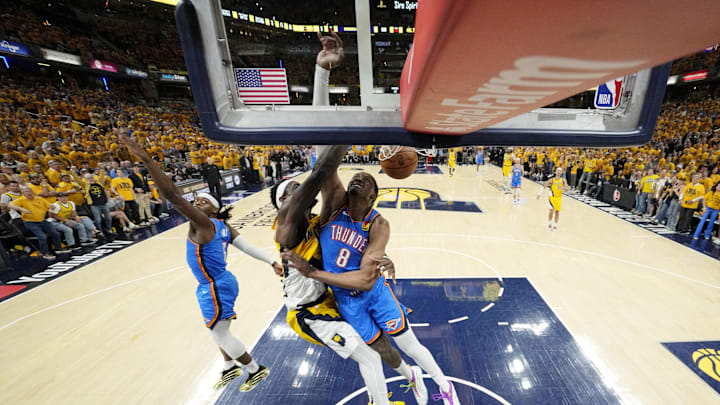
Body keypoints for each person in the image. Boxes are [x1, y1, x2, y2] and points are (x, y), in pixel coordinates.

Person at [271, 32, 405, 405]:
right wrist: (356, 122)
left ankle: (404, 380)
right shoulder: (287, 231)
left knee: (378, 346)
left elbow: (321, 162)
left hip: (331, 296)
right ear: (285, 204)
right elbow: (320, 167)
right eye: (292, 194)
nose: (298, 195)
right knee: (367, 353)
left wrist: (322, 73)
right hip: (308, 313)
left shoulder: (321, 218)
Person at [284, 169, 461, 405]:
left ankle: (445, 386)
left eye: (366, 180)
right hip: (347, 302)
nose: (359, 178)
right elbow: (327, 169)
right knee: (382, 350)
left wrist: (314, 273)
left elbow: (366, 281)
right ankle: (413, 376)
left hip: (375, 294)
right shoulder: (333, 209)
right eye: (355, 177)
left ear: (373, 196)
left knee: (409, 345)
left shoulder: (378, 224)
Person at [118, 131, 275, 392]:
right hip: (217, 282)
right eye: (196, 200)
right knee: (215, 327)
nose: (196, 202)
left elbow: (172, 195)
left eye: (203, 201)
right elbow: (246, 246)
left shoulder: (204, 222)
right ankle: (228, 367)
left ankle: (254, 368)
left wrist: (147, 160)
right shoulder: (222, 225)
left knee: (219, 333)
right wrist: (271, 261)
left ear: (213, 209)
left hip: (214, 284)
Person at [8, 186, 68, 259]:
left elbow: (49, 205)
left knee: (55, 233)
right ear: (23, 193)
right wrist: (21, 209)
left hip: (42, 220)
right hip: (30, 222)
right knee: (42, 236)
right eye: (26, 191)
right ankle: (44, 253)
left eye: (30, 191)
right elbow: (10, 205)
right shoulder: (21, 200)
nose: (29, 192)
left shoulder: (39, 198)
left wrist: (52, 206)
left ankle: (58, 248)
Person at [537, 167, 568, 231]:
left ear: (561, 172)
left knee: (557, 212)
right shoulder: (551, 180)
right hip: (552, 197)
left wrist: (562, 188)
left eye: (560, 171)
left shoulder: (563, 180)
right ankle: (549, 223)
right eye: (558, 171)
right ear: (555, 172)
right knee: (551, 210)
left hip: (559, 197)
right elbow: (544, 186)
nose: (559, 172)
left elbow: (567, 189)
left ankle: (555, 225)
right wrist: (539, 194)